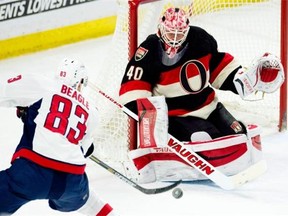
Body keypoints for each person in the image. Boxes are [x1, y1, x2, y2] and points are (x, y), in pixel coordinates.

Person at [119, 7, 284, 183]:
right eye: (170, 32)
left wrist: (243, 80)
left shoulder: (200, 39)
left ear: (187, 29)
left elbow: (217, 69)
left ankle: (228, 160)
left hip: (210, 106)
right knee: (205, 137)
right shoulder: (148, 49)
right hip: (178, 115)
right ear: (161, 28)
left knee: (239, 133)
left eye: (180, 33)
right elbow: (133, 88)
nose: (175, 38)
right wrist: (151, 119)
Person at [0, 58, 118, 216]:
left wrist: (26, 110)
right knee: (89, 203)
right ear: (81, 82)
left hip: (32, 172)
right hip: (72, 182)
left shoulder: (41, 84)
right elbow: (83, 150)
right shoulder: (92, 112)